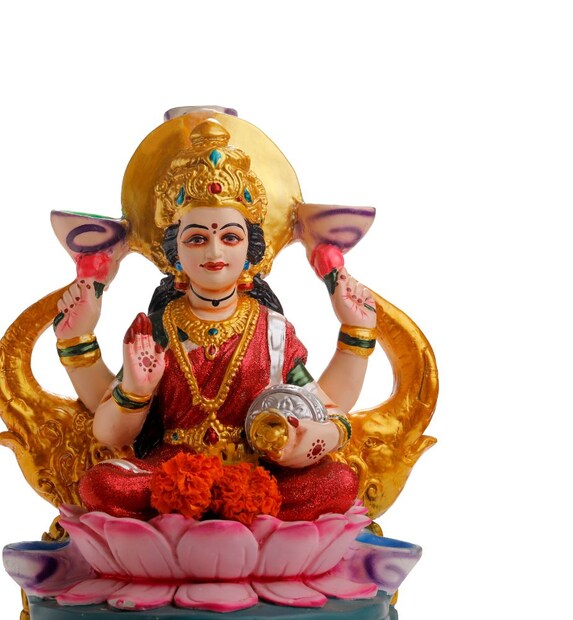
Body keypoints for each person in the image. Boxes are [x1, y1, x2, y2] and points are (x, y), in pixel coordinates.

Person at [53, 119, 377, 522]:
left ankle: (195, 527)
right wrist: (136, 390)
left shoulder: (272, 330)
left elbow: (329, 409)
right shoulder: (159, 328)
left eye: (229, 237)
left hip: (258, 473)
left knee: (338, 482)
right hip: (171, 474)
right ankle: (235, 527)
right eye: (196, 239)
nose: (214, 252)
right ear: (175, 254)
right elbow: (108, 433)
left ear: (250, 250)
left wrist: (317, 435)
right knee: (102, 485)